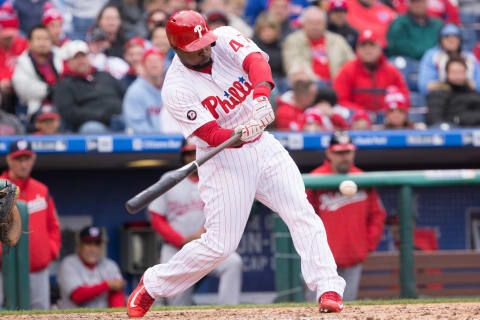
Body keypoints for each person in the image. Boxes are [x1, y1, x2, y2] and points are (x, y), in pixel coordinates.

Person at [127, 10, 346, 318]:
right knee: (220, 246)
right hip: (222, 160)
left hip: (265, 148)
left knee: (301, 211)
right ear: (176, 50)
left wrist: (260, 98)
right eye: (195, 48)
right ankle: (152, 285)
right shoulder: (176, 87)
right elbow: (210, 134)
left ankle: (328, 288)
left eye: (205, 42)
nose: (204, 49)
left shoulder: (225, 38)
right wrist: (240, 133)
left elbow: (257, 64)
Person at [148, 140, 242, 305]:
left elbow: (227, 212)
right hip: (174, 249)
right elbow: (156, 218)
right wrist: (181, 240)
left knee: (233, 263)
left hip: (208, 247)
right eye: (190, 153)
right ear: (183, 156)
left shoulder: (217, 179)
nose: (195, 157)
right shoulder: (169, 178)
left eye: (198, 152)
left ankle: (228, 311)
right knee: (177, 303)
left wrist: (207, 231)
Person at [306, 131, 386, 301]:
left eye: (347, 152)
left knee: (346, 310)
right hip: (321, 264)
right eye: (339, 153)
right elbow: (304, 219)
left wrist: (365, 245)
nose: (344, 157)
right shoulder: (315, 179)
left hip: (352, 260)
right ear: (329, 153)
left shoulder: (362, 179)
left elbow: (377, 215)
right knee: (315, 309)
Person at [0, 140, 61, 309]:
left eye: (27, 159)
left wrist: (49, 252)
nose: (23, 164)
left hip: (37, 271)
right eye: (18, 159)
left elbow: (53, 225)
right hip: (3, 271)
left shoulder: (41, 190)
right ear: (9, 160)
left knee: (40, 313)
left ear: (33, 159)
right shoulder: (0, 187)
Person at [53, 40, 126, 133]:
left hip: (120, 117)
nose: (81, 61)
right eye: (76, 58)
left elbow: (126, 96)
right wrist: (102, 116)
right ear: (67, 62)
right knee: (91, 129)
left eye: (84, 56)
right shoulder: (64, 84)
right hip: (94, 123)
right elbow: (69, 113)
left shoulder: (104, 75)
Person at [334, 29, 410, 112]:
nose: (368, 50)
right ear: (357, 50)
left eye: (372, 45)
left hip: (387, 120)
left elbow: (404, 97)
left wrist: (390, 113)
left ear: (380, 48)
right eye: (363, 46)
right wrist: (361, 113)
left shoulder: (392, 71)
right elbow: (340, 100)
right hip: (357, 120)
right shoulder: (347, 70)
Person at [57, 226, 126, 309]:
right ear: (79, 246)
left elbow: (117, 295)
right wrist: (107, 285)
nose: (93, 249)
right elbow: (77, 296)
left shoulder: (110, 265)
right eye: (88, 243)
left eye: (97, 244)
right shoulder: (69, 263)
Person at [282, 6, 354, 85]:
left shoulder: (338, 40)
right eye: (311, 23)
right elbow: (293, 66)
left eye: (318, 23)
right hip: (308, 85)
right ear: (304, 24)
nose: (315, 27)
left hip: (338, 83)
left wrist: (341, 78)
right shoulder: (293, 40)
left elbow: (352, 62)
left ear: (325, 24)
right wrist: (316, 81)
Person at [12, 25, 63, 117]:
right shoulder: (22, 62)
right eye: (38, 39)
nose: (42, 43)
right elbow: (24, 90)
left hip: (64, 107)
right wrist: (51, 90)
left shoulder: (62, 56)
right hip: (36, 109)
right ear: (29, 43)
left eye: (46, 39)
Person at [123, 48, 177, 133]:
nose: (154, 64)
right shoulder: (135, 91)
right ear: (143, 66)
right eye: (150, 61)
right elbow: (137, 125)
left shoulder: (173, 88)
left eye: (158, 60)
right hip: (146, 142)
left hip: (174, 139)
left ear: (164, 65)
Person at [418, 24, 480, 95]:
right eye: (447, 36)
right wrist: (454, 86)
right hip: (441, 98)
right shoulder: (431, 56)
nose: (451, 40)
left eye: (455, 36)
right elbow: (424, 86)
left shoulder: (470, 57)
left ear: (460, 39)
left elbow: (478, 84)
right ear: (441, 40)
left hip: (468, 98)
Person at [426, 57, 480, 127]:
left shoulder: (474, 94)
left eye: (461, 72)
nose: (458, 76)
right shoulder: (437, 94)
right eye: (454, 72)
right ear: (446, 74)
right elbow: (435, 121)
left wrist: (460, 118)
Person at [276, 80, 349, 131]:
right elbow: (290, 135)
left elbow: (346, 128)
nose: (316, 97)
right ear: (303, 96)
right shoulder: (284, 111)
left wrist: (332, 115)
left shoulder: (314, 107)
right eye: (314, 95)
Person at [0, 2, 28, 114]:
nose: (9, 40)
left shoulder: (23, 43)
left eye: (11, 36)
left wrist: (13, 80)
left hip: (20, 85)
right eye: (5, 37)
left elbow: (29, 67)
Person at [252, 12, 286, 93]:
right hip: (261, 80)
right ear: (258, 30)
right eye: (264, 30)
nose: (268, 33)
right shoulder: (252, 45)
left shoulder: (281, 44)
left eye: (271, 30)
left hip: (280, 79)